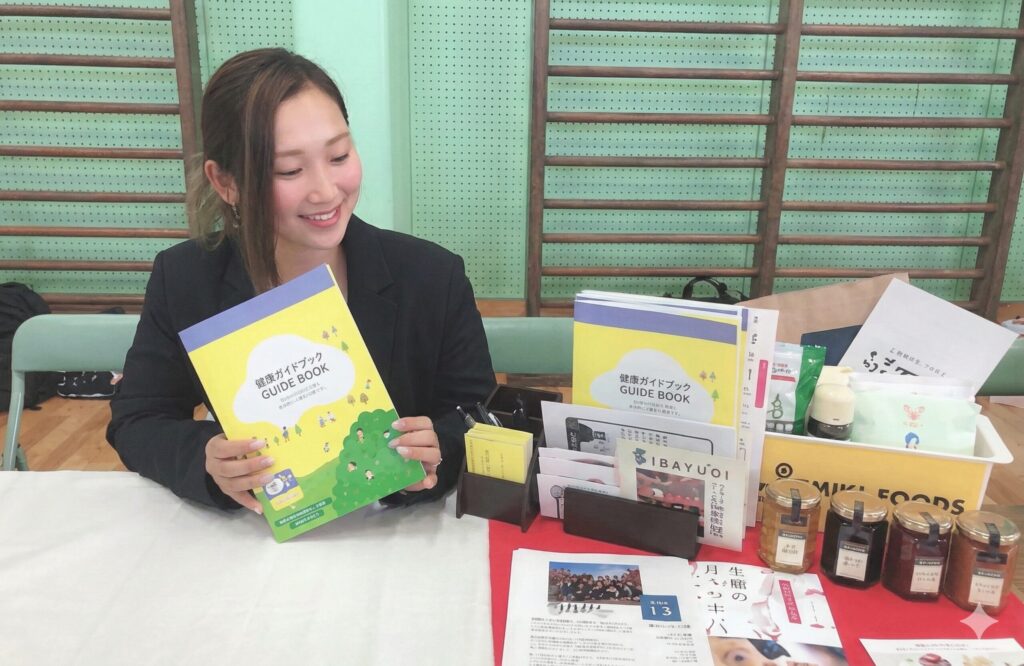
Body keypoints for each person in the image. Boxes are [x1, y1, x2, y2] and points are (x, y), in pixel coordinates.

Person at [107, 48, 496, 513]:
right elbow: (138, 420)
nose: (326, 191)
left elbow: (477, 416)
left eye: (339, 155)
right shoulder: (187, 279)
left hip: (394, 534)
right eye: (289, 170)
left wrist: (439, 449)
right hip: (256, 535)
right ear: (226, 182)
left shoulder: (431, 276)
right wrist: (209, 460)